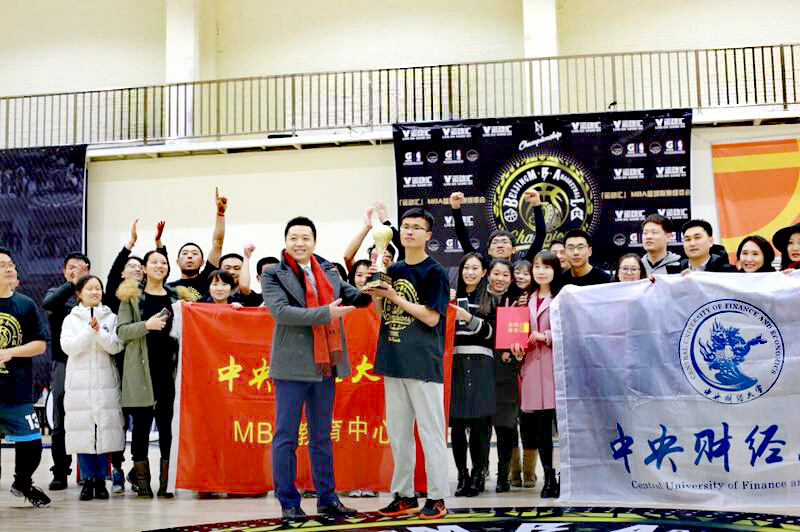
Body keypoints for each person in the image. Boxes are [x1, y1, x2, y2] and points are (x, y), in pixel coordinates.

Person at [261, 216, 371, 520]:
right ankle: (289, 503)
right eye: (294, 238)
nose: (299, 243)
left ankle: (327, 498)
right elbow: (281, 312)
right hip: (291, 367)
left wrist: (376, 282)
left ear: (314, 241)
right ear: (286, 241)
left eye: (305, 238)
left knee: (321, 436)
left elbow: (356, 297)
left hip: (325, 365)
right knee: (286, 437)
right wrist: (326, 313)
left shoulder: (328, 270)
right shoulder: (273, 273)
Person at [364, 208, 450, 520]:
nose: (409, 231)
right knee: (399, 435)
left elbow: (432, 317)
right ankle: (404, 495)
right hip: (393, 359)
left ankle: (437, 497)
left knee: (430, 433)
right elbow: (383, 314)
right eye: (405, 226)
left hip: (422, 363)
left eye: (416, 227)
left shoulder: (435, 272)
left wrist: (395, 297)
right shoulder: (394, 268)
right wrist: (377, 293)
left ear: (428, 235)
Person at [103, 218, 165, 492]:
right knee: (123, 422)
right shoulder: (119, 294)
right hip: (123, 364)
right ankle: (120, 470)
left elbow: (162, 273)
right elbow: (123, 330)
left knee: (148, 423)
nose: (138, 270)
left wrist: (159, 246)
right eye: (133, 266)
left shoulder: (159, 292)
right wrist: (129, 244)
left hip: (153, 367)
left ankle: (142, 474)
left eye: (141, 267)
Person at [116, 249, 184, 499]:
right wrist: (147, 325)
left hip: (169, 370)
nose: (159, 265)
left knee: (167, 427)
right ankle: (142, 483)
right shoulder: (132, 297)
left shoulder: (177, 297)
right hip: (140, 369)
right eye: (153, 262)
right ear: (144, 268)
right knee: (141, 427)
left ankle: (167, 483)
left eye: (163, 262)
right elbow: (122, 331)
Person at [60, 275, 125, 501]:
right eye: (89, 288)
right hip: (80, 383)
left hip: (105, 382)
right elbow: (68, 347)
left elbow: (116, 346)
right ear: (79, 293)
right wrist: (89, 331)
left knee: (105, 429)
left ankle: (101, 479)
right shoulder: (71, 319)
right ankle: (87, 479)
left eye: (98, 288)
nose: (95, 292)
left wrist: (99, 332)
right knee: (83, 430)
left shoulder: (111, 317)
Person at [0, 248, 50, 507]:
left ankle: (22, 483)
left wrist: (9, 352)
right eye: (2, 265)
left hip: (17, 392)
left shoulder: (25, 304)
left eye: (11, 264)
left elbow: (40, 345)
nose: (9, 268)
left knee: (32, 445)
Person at [512, 250, 563, 498]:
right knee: (541, 430)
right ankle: (549, 478)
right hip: (532, 368)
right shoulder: (524, 300)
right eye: (537, 267)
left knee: (562, 428)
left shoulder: (563, 297)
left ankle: (565, 476)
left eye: (546, 267)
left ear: (555, 270)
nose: (541, 272)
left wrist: (547, 336)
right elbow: (516, 332)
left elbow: (573, 330)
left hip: (556, 369)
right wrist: (516, 347)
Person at [448, 253, 495, 498]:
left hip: (482, 364)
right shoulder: (450, 297)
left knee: (479, 425)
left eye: (475, 268)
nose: (470, 272)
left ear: (484, 272)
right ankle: (462, 475)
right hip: (454, 364)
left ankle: (478, 474)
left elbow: (491, 334)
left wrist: (468, 318)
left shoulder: (492, 298)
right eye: (466, 268)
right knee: (456, 426)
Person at [43, 251, 91, 490]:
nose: (76, 271)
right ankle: (60, 472)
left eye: (81, 267)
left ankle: (90, 474)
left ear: (88, 271)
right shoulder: (57, 293)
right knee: (60, 421)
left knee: (88, 418)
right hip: (63, 363)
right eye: (71, 267)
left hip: (90, 363)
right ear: (64, 272)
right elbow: (48, 304)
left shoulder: (93, 295)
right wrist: (72, 284)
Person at [449, 190, 546, 262]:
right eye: (495, 242)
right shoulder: (481, 268)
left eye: (504, 242)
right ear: (489, 251)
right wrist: (456, 208)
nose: (500, 245)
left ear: (513, 249)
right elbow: (463, 238)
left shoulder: (521, 269)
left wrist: (536, 205)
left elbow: (540, 236)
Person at [166, 188, 228, 300]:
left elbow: (218, 243)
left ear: (202, 262)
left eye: (194, 253)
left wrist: (220, 214)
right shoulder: (169, 288)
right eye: (185, 253)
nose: (189, 256)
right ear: (177, 262)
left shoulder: (208, 280)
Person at [343, 201, 403, 272]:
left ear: (393, 262)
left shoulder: (399, 273)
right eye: (374, 257)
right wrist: (367, 226)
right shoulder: (364, 275)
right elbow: (348, 258)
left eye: (386, 256)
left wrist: (386, 222)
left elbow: (403, 247)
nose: (380, 260)